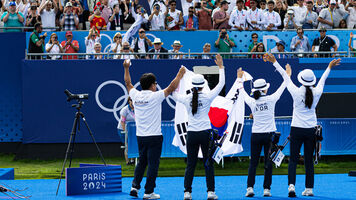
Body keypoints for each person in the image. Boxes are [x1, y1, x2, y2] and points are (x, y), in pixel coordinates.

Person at [123, 59, 186, 199]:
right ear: (152, 85)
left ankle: (134, 187)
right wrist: (180, 74)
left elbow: (127, 83)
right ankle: (148, 192)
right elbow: (171, 87)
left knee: (142, 162)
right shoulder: (156, 96)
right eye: (156, 83)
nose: (156, 86)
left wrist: (126, 68)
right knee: (152, 165)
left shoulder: (136, 95)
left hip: (141, 136)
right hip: (154, 136)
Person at [286, 57, 341, 197]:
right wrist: (329, 67)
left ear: (301, 79)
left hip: (296, 128)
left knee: (293, 159)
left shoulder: (296, 91)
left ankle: (291, 187)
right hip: (310, 130)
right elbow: (323, 80)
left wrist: (282, 68)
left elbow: (285, 79)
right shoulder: (317, 92)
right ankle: (309, 189)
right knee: (309, 160)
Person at [238, 53, 291, 198]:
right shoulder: (272, 98)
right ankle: (266, 189)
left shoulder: (251, 101)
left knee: (253, 163)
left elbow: (241, 90)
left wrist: (239, 77)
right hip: (269, 136)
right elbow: (285, 84)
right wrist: (286, 73)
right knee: (268, 163)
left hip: (256, 135)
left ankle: (250, 188)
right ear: (264, 89)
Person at [173, 54, 225, 200]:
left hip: (192, 134)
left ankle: (187, 193)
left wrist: (179, 76)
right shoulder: (208, 96)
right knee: (208, 163)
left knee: (191, 164)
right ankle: (210, 192)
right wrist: (220, 67)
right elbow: (221, 84)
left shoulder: (186, 98)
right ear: (203, 85)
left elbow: (172, 93)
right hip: (205, 133)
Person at [118, 97, 135, 165]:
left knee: (133, 144)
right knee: (127, 145)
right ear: (129, 101)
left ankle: (132, 160)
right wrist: (125, 132)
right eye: (131, 100)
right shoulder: (125, 109)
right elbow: (122, 122)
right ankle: (127, 161)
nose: (133, 102)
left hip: (132, 129)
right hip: (122, 129)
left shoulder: (138, 109)